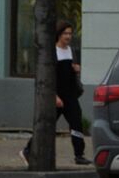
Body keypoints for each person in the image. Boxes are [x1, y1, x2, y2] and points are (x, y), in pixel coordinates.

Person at [22, 20, 89, 166]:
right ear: (58, 35)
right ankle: (28, 149)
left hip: (70, 94)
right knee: (46, 124)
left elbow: (71, 71)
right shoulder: (53, 52)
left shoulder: (72, 50)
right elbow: (49, 77)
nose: (68, 36)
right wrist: (53, 96)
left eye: (70, 33)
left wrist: (76, 68)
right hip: (57, 95)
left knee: (76, 122)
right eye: (65, 33)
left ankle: (79, 154)